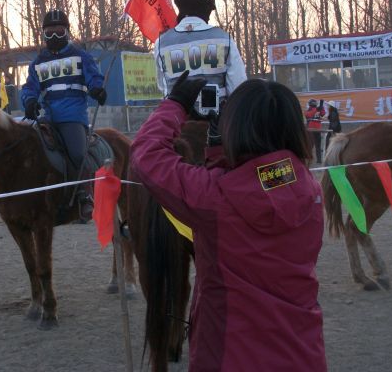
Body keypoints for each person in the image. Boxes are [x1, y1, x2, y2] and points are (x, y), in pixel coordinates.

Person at [131, 71, 326, 371]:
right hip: (302, 354)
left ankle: (82, 198)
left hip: (229, 357)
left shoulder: (215, 196)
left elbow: (147, 155)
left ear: (236, 128)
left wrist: (176, 104)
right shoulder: (309, 190)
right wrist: (222, 146)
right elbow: (263, 179)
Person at [21, 9, 107, 221]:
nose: (54, 37)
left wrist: (97, 89)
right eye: (49, 33)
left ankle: (85, 196)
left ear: (67, 32)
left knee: (78, 153)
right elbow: (29, 87)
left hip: (73, 115)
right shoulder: (38, 62)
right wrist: (30, 102)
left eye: (58, 32)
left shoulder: (80, 56)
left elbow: (93, 77)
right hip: (47, 117)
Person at [154, 0, 247, 145]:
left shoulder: (161, 43)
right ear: (208, 9)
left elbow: (163, 87)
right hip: (217, 130)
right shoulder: (224, 39)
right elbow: (238, 88)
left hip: (177, 125)